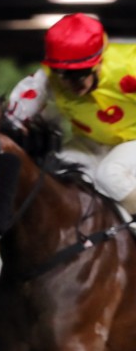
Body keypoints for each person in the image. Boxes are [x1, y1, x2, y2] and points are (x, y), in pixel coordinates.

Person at [7, 12, 136, 212]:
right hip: (91, 142)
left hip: (133, 140)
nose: (69, 83)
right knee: (55, 172)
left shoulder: (130, 66)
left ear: (99, 62)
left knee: (111, 175)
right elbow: (15, 117)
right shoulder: (47, 78)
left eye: (78, 74)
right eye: (62, 74)